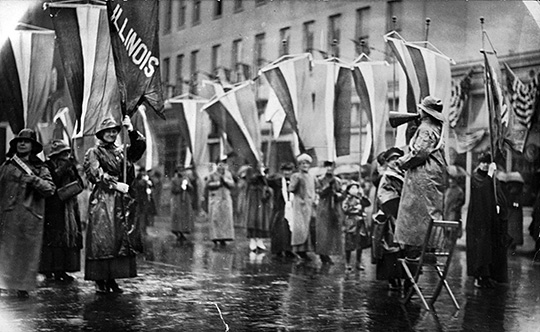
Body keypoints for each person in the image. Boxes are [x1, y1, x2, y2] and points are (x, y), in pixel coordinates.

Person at [83, 116, 146, 294]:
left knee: (118, 241)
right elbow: (94, 172)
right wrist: (111, 182)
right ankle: (100, 279)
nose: (111, 134)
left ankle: (112, 278)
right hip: (104, 199)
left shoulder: (121, 151)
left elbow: (139, 148)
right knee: (103, 239)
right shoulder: (94, 152)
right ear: (101, 134)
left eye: (114, 131)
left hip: (122, 199)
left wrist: (131, 130)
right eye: (108, 131)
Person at [0, 129, 56, 298]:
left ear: (33, 146)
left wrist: (34, 180)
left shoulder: (40, 168)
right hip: (8, 216)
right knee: (7, 252)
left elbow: (50, 189)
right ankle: (4, 285)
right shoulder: (6, 166)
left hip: (30, 217)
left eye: (26, 141)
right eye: (19, 141)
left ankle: (23, 287)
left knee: (26, 253)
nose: (22, 144)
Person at [394, 96, 448, 260]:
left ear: (424, 112)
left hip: (423, 175)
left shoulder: (425, 128)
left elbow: (419, 152)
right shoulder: (436, 127)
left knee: (415, 211)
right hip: (433, 175)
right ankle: (428, 247)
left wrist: (402, 162)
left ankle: (416, 249)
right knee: (430, 211)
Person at [39, 140, 84, 282]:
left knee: (67, 239)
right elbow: (51, 183)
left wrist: (71, 171)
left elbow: (80, 183)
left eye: (67, 153)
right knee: (52, 240)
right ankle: (49, 270)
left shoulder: (70, 167)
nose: (66, 156)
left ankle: (62, 269)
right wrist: (61, 170)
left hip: (68, 206)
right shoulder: (47, 167)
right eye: (62, 154)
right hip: (52, 207)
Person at [466, 152, 509, 288]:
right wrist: (490, 175)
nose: (484, 165)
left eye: (487, 163)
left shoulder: (494, 178)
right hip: (478, 221)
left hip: (490, 220)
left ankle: (490, 276)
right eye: (482, 162)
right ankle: (480, 276)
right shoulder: (476, 177)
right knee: (481, 249)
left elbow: (498, 195)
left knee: (491, 247)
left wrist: (499, 206)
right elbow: (482, 190)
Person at [373, 147, 405, 290]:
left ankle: (402, 277)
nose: (395, 162)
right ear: (387, 162)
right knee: (390, 247)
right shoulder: (387, 176)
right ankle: (392, 278)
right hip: (390, 215)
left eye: (397, 158)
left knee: (401, 248)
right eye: (391, 159)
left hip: (402, 215)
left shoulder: (404, 174)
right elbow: (383, 196)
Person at [288, 153, 317, 261]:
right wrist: (295, 182)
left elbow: (316, 188)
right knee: (300, 228)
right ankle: (298, 249)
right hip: (300, 205)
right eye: (302, 163)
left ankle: (306, 250)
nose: (305, 165)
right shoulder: (296, 176)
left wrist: (315, 199)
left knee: (309, 227)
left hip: (310, 205)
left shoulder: (311, 176)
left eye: (307, 163)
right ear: (299, 165)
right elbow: (291, 188)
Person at [315, 160, 344, 265]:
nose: (329, 168)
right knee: (323, 232)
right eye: (327, 166)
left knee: (333, 232)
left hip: (334, 208)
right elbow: (320, 193)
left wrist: (337, 194)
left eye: (331, 166)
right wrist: (328, 187)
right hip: (324, 207)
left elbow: (342, 194)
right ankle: (323, 254)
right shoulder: (319, 179)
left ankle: (329, 253)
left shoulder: (338, 180)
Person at [204, 158, 235, 247]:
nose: (221, 167)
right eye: (219, 164)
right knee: (215, 219)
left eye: (223, 165)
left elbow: (232, 184)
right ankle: (215, 237)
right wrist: (217, 183)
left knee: (225, 219)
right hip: (216, 199)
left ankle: (224, 238)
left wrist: (225, 180)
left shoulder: (228, 174)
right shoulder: (212, 174)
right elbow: (207, 185)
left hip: (225, 199)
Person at [267, 162, 295, 259]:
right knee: (279, 229)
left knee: (289, 229)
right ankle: (278, 250)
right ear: (282, 171)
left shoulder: (294, 180)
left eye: (289, 170)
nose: (287, 173)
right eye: (285, 171)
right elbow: (268, 181)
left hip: (291, 207)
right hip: (280, 207)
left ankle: (289, 250)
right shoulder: (278, 181)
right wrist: (266, 173)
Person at [342, 181, 371, 271]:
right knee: (349, 244)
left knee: (360, 244)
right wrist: (355, 209)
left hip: (360, 223)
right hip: (351, 222)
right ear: (348, 190)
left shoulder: (360, 198)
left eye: (356, 188)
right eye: (353, 188)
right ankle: (347, 262)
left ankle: (358, 262)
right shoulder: (347, 199)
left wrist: (362, 196)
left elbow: (367, 203)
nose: (355, 190)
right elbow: (345, 209)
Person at [245, 166, 273, 252]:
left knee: (262, 218)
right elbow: (249, 179)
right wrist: (258, 175)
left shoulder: (267, 163)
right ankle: (253, 239)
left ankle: (260, 240)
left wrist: (266, 176)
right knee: (253, 217)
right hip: (253, 194)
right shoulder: (250, 168)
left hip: (262, 195)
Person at [170, 165, 197, 244]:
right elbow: (173, 190)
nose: (182, 172)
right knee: (177, 215)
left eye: (183, 170)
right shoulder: (174, 179)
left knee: (185, 215)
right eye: (180, 170)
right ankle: (177, 231)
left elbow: (191, 189)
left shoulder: (186, 179)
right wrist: (181, 187)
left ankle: (183, 231)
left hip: (185, 200)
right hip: (177, 199)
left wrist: (188, 186)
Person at [134, 168, 157, 235]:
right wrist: (143, 181)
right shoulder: (138, 180)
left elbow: (153, 186)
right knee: (141, 215)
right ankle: (140, 230)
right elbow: (137, 185)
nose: (144, 174)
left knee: (146, 214)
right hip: (140, 199)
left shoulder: (148, 179)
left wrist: (150, 185)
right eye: (142, 172)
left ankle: (144, 229)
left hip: (146, 199)